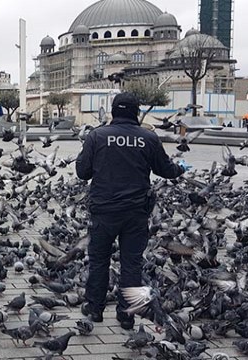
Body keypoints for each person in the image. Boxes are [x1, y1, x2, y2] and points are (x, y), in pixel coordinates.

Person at [75, 92, 191, 330]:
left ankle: (95, 310)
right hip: (136, 213)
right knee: (132, 264)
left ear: (114, 111)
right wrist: (181, 168)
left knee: (98, 261)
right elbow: (165, 170)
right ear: (137, 113)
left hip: (104, 211)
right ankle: (127, 315)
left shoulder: (97, 136)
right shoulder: (148, 137)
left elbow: (82, 172)